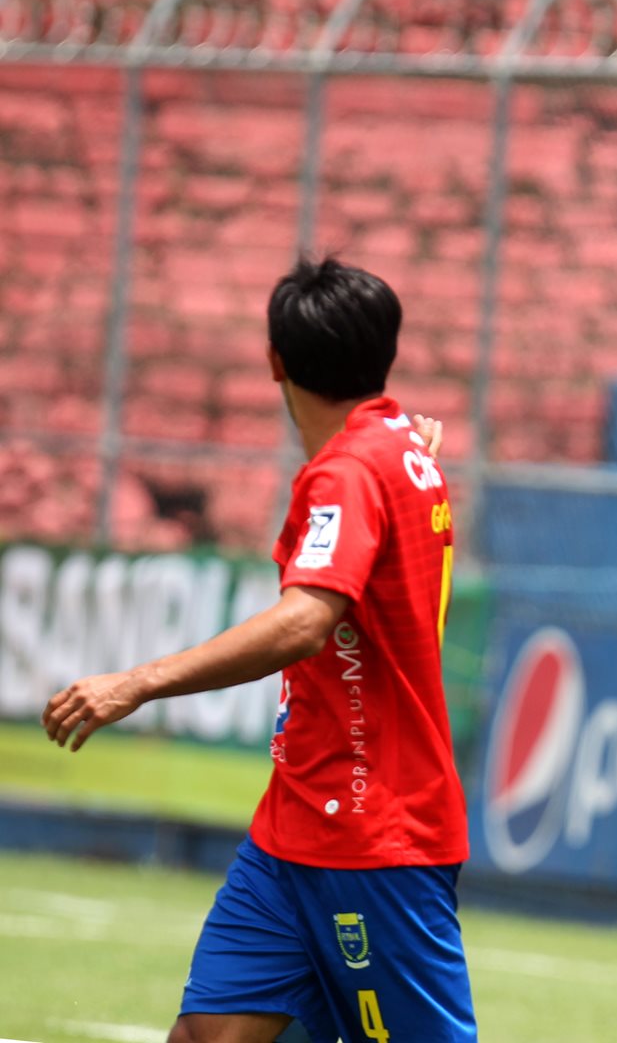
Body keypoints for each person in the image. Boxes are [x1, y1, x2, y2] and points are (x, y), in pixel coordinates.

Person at [42, 257, 476, 1043]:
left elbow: (306, 619)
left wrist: (136, 683)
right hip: (294, 827)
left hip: (373, 830)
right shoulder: (403, 452)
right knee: (208, 1037)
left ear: (275, 362)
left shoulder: (350, 471)